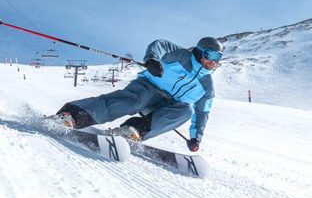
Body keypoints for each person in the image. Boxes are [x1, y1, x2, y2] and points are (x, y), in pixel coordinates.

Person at [55, 37, 224, 152]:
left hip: (165, 106)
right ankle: (73, 115)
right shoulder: (181, 56)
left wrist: (196, 138)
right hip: (148, 87)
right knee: (133, 102)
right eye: (211, 55)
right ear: (200, 52)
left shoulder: (207, 86)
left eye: (218, 57)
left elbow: (203, 112)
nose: (214, 61)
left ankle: (132, 131)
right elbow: (160, 44)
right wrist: (152, 60)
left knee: (186, 111)